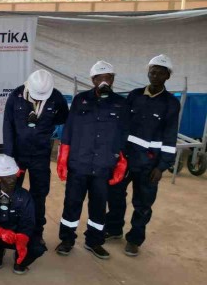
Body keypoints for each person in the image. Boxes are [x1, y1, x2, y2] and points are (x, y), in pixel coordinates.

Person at [106, 55, 180, 257]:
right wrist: (116, 154)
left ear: (167, 76)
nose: (155, 76)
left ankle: (134, 239)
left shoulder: (171, 103)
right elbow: (122, 125)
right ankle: (114, 229)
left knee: (143, 203)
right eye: (152, 72)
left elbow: (170, 136)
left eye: (160, 73)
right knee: (115, 194)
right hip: (126, 158)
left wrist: (162, 166)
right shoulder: (135, 95)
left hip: (149, 164)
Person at [56, 61, 129, 259]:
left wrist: (121, 162)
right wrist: (63, 158)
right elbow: (68, 131)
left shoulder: (120, 104)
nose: (104, 81)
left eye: (108, 77)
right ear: (93, 80)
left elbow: (124, 135)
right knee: (72, 203)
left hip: (103, 166)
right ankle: (67, 239)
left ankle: (94, 241)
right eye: (100, 78)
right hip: (79, 164)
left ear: (112, 80)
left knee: (98, 206)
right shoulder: (80, 100)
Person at [3, 69, 69, 245]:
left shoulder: (56, 97)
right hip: (17, 155)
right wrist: (8, 155)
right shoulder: (16, 96)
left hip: (41, 154)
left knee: (39, 195)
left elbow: (63, 118)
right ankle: (12, 228)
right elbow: (8, 125)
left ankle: (36, 232)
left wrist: (46, 132)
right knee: (12, 192)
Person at [0, 155, 47, 274]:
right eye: (7, 177)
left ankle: (20, 261)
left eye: (13, 175)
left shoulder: (25, 196)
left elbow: (29, 221)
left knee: (38, 248)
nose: (11, 180)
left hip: (18, 235)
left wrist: (23, 238)